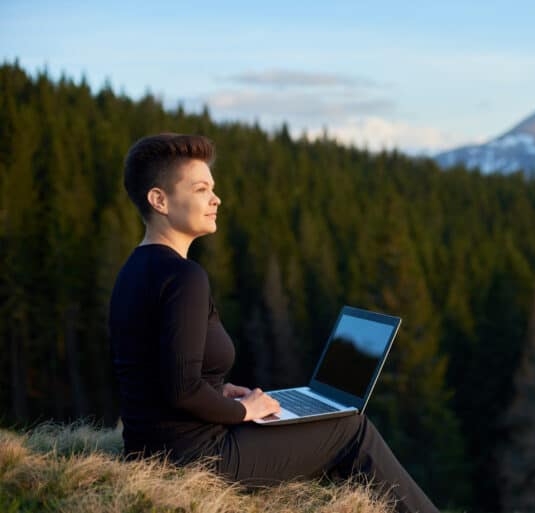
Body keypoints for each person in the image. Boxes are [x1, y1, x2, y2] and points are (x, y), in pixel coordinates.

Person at [108, 133, 439, 513]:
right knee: (352, 428)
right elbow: (181, 390)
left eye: (213, 188)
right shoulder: (185, 277)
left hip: (153, 449)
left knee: (320, 426)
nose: (216, 199)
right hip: (195, 458)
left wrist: (219, 390)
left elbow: (153, 370)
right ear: (158, 200)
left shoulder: (133, 270)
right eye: (201, 189)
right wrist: (243, 411)